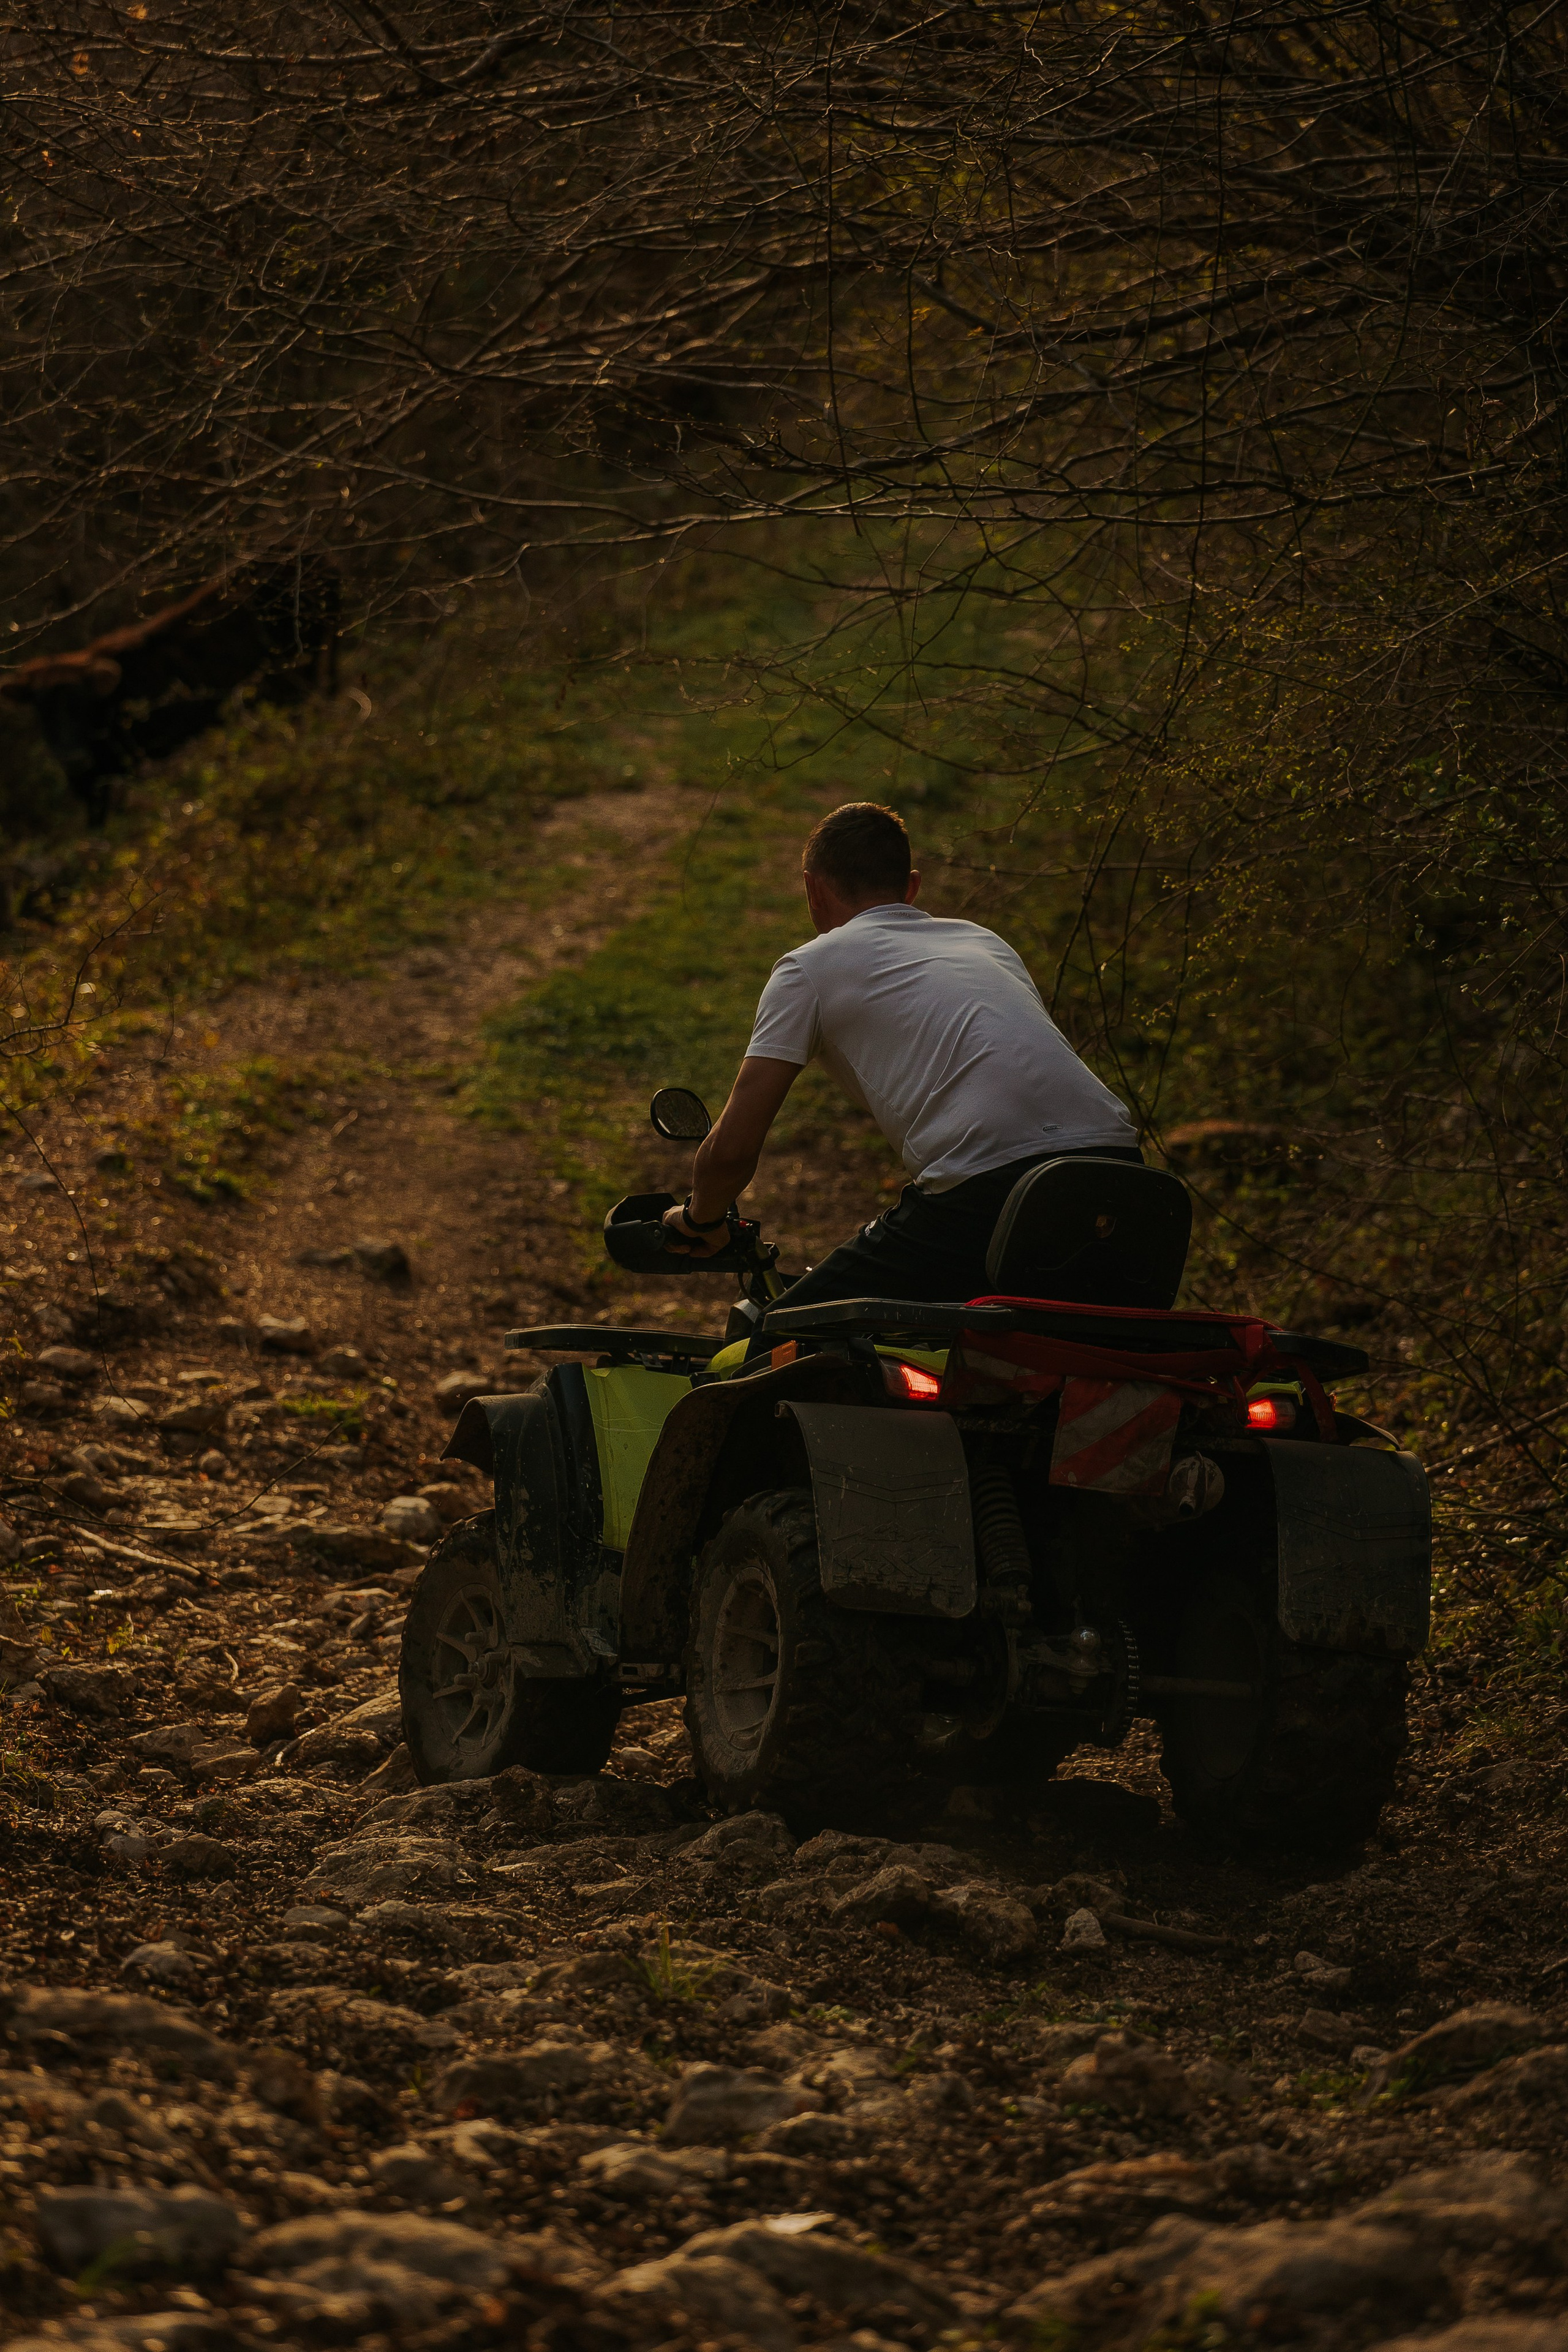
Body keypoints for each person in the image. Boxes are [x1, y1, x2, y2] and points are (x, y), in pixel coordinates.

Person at [660, 801, 1141, 1310]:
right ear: (911, 888)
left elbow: (733, 1150)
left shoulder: (808, 969)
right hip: (1126, 1179)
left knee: (786, 1333)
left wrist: (698, 1218)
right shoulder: (985, 943)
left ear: (813, 890)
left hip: (987, 1191)